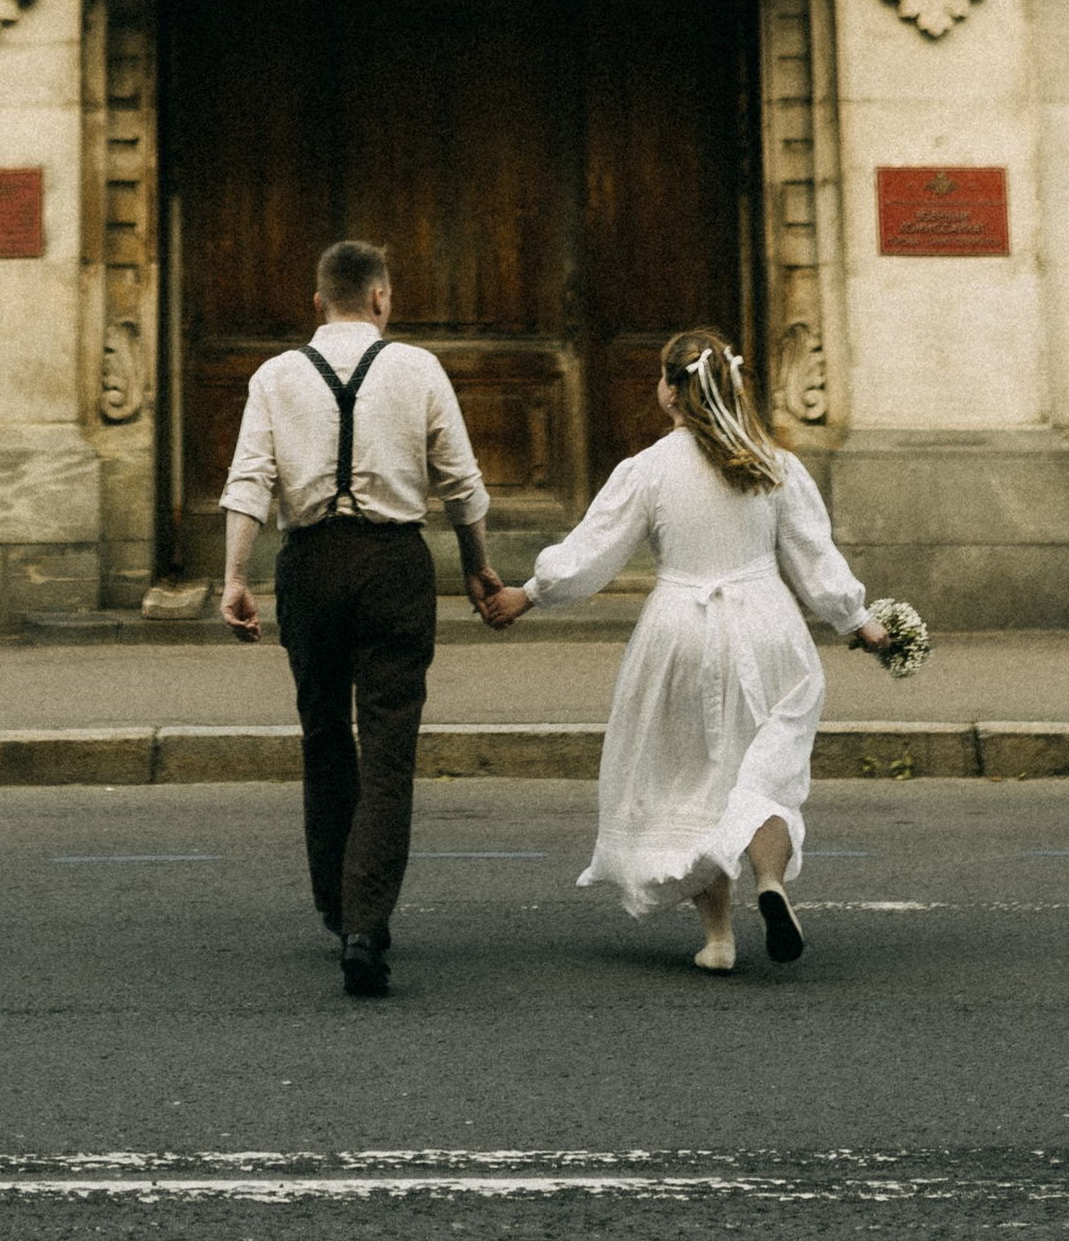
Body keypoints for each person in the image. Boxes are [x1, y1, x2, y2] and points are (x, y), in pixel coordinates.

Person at [477, 325, 894, 973]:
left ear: (673, 393)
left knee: (693, 779)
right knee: (765, 773)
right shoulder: (773, 465)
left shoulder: (650, 470)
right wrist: (858, 621)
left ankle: (720, 939)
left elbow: (593, 552)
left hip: (682, 631)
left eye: (660, 379)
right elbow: (815, 557)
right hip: (766, 627)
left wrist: (527, 594)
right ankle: (772, 884)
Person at [220, 236, 500, 1000]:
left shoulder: (276, 376)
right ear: (381, 298)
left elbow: (251, 480)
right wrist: (477, 566)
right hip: (392, 565)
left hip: (308, 566)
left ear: (319, 302)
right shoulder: (418, 369)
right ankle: (365, 924)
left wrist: (235, 578)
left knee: (322, 735)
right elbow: (462, 485)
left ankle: (335, 902)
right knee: (388, 745)